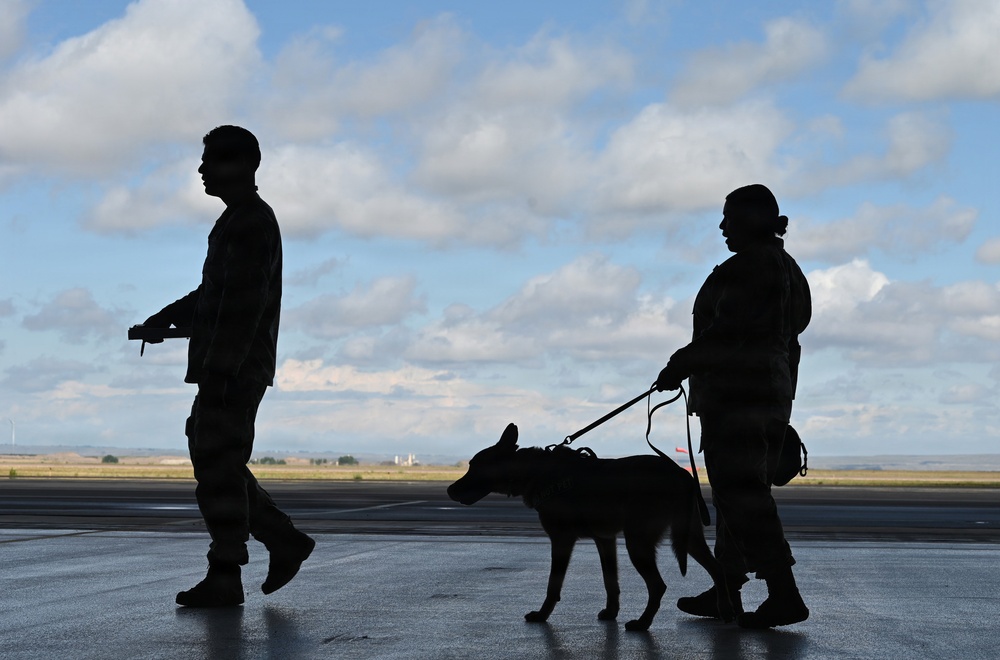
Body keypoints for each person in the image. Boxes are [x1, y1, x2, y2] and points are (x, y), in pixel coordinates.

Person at [143, 125, 314, 607]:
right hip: (230, 368)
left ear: (243, 166)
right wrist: (165, 319)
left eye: (213, 159)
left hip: (232, 371)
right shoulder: (238, 220)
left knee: (218, 468)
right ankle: (281, 540)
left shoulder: (250, 222)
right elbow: (213, 296)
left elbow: (243, 308)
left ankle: (228, 571)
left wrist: (220, 374)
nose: (202, 169)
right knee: (219, 461)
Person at [655, 184, 811, 628]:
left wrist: (679, 364)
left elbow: (728, 332)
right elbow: (786, 341)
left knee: (742, 495)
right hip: (764, 393)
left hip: (742, 397)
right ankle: (727, 586)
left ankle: (784, 593)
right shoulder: (784, 268)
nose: (723, 226)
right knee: (734, 494)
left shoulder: (752, 268)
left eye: (732, 218)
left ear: (758, 219)